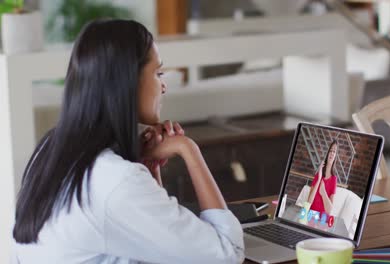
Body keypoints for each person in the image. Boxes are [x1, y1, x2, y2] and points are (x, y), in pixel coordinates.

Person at [11, 19, 244, 264]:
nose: (163, 86)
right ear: (127, 82)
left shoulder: (51, 150)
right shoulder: (116, 179)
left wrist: (151, 169)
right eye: (158, 73)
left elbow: (160, 246)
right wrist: (189, 150)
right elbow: (227, 254)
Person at [306, 141, 338, 216]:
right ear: (327, 153)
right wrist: (319, 179)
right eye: (331, 150)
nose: (332, 153)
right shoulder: (318, 175)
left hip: (322, 219)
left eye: (334, 151)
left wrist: (323, 192)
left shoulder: (334, 179)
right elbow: (308, 202)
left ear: (335, 156)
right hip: (310, 214)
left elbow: (329, 210)